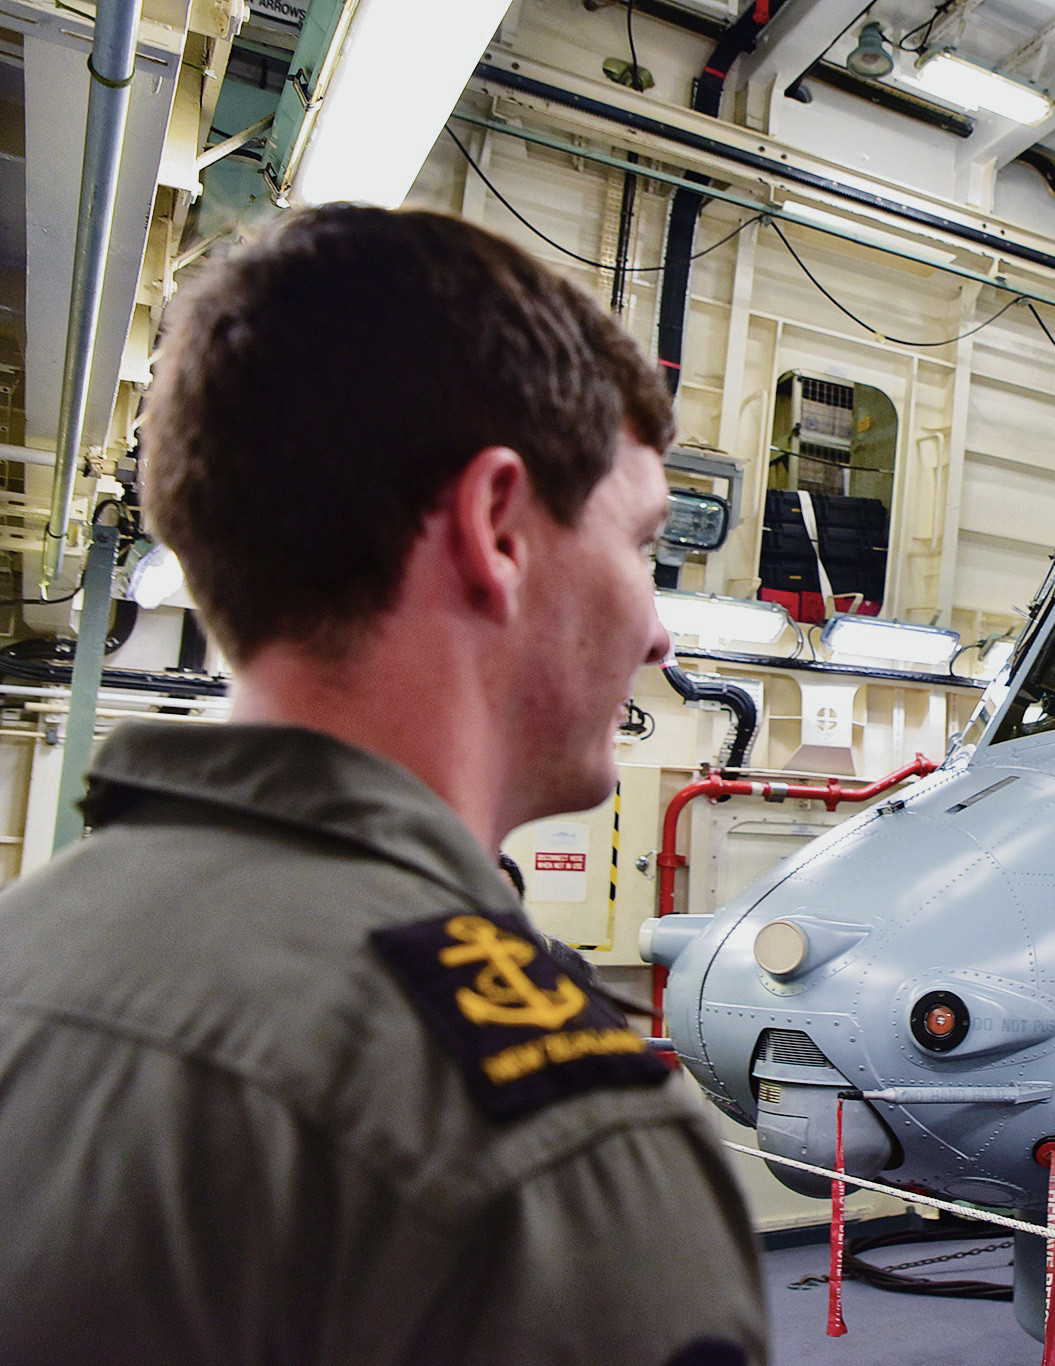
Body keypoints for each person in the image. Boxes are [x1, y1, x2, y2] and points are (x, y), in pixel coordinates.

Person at [0, 207, 765, 1364]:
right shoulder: (549, 1152)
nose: (658, 632)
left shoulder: (33, 953)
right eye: (643, 546)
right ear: (496, 528)